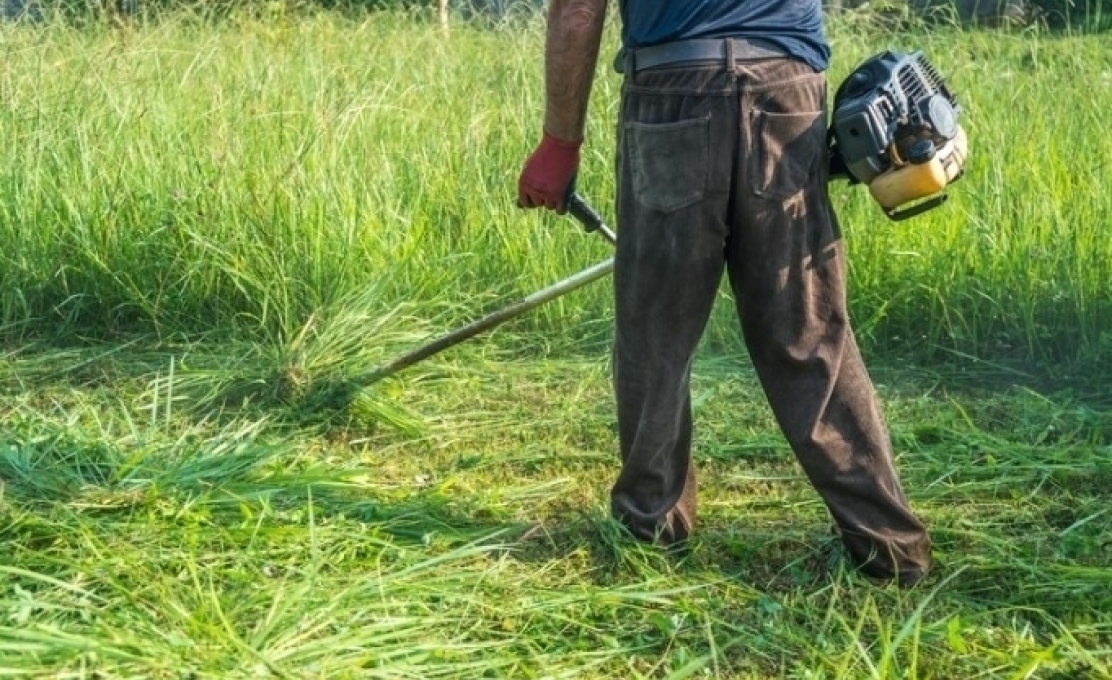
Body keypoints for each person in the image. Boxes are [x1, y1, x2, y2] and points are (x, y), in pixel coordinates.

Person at [516, 0, 933, 587]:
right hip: (787, 91)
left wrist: (560, 144)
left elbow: (579, 9)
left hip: (673, 90)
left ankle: (649, 533)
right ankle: (889, 548)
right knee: (808, 332)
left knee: (655, 332)